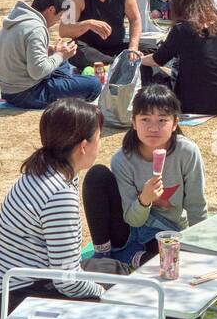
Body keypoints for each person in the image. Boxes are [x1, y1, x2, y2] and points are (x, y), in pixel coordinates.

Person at [0, 99, 127, 319]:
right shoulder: (58, 193)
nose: (100, 144)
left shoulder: (43, 170)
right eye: (99, 137)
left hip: (2, 296)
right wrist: (102, 294)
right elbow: (66, 281)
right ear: (83, 146)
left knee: (115, 270)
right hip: (20, 306)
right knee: (120, 297)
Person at [83, 84, 208, 268]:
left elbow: (196, 206)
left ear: (175, 123)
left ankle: (132, 257)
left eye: (162, 120)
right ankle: (104, 254)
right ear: (133, 122)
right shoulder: (122, 159)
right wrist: (144, 200)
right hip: (129, 225)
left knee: (170, 261)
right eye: (145, 119)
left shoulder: (187, 152)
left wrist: (200, 249)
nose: (153, 128)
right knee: (97, 175)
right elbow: (133, 219)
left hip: (167, 229)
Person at [0, 0, 102, 107]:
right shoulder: (36, 28)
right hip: (27, 93)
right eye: (59, 15)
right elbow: (37, 72)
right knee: (94, 84)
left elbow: (19, 49)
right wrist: (60, 55)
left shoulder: (18, 18)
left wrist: (51, 51)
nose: (58, 20)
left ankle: (62, 87)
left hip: (9, 90)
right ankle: (62, 89)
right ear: (51, 10)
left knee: (62, 61)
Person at [141, 0, 217, 116]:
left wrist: (139, 60)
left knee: (151, 72)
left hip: (191, 104)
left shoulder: (181, 29)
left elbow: (157, 60)